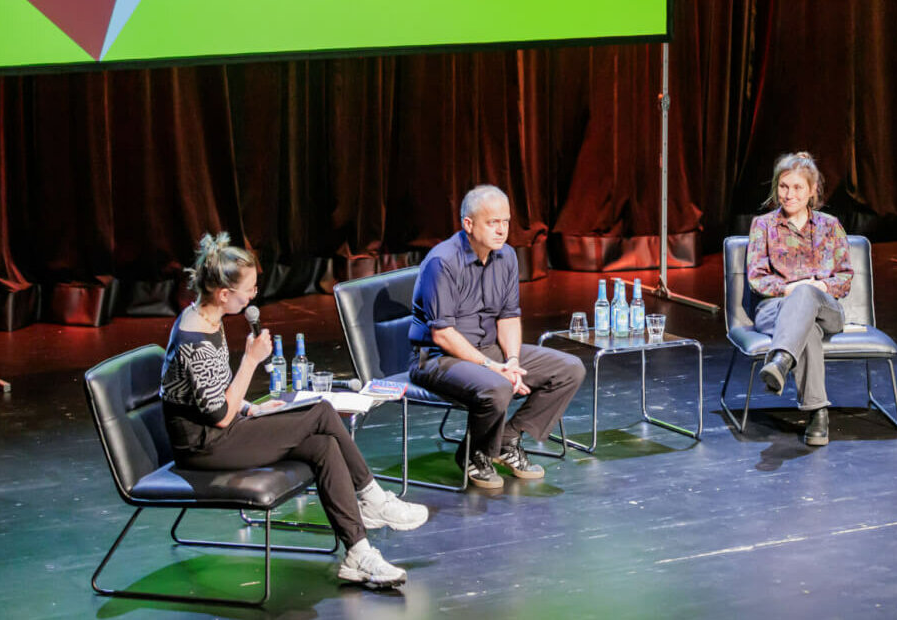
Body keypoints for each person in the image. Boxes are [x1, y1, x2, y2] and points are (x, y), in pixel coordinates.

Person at [160, 233, 426, 588]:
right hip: (205, 446)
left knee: (323, 445)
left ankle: (358, 553)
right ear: (224, 294)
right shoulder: (194, 340)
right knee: (321, 411)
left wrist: (249, 408)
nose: (253, 296)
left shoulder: (209, 317)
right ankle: (372, 497)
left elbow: (213, 395)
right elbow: (219, 416)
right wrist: (251, 362)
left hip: (223, 429)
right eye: (249, 290)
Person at [409, 185, 587, 489]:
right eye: (493, 222)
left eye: (505, 222)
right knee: (497, 385)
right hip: (437, 360)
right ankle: (475, 453)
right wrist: (495, 368)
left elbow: (508, 316)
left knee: (569, 369)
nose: (502, 230)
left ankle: (507, 438)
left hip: (487, 349)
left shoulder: (506, 257)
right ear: (469, 224)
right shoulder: (442, 262)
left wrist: (513, 360)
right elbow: (443, 335)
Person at [746, 152, 854, 446]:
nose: (789, 194)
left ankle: (781, 360)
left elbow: (844, 277)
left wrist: (814, 287)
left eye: (797, 187)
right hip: (775, 309)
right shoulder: (763, 226)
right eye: (783, 186)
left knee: (807, 296)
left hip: (825, 308)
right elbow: (756, 279)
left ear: (812, 190)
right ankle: (818, 414)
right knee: (808, 329)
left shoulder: (830, 226)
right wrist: (790, 290)